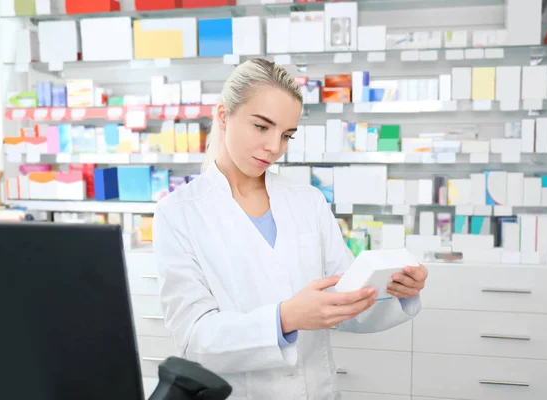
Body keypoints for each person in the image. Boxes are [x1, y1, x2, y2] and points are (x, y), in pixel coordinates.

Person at [153, 58, 428, 400]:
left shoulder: (307, 201)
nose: (275, 148)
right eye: (261, 127)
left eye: (286, 135)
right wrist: (284, 319)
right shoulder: (178, 214)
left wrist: (396, 289)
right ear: (224, 115)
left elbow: (345, 300)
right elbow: (195, 338)